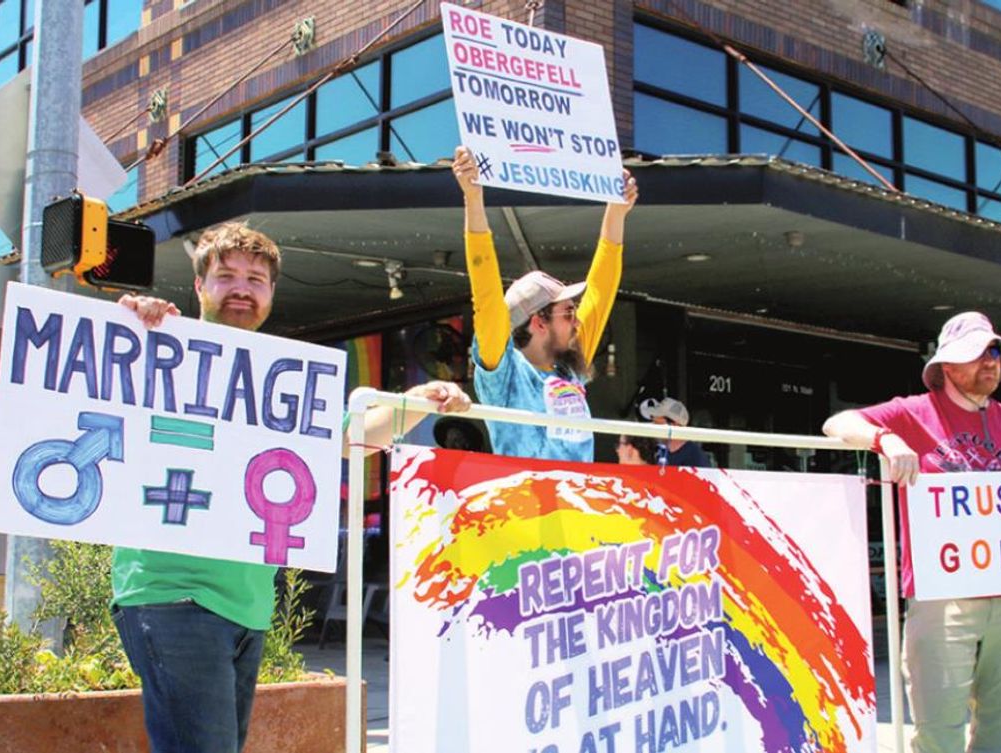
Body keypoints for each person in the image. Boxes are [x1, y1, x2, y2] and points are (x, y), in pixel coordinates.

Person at [112, 222, 470, 753]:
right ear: (198, 287)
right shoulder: (163, 350)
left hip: (246, 605)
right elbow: (105, 385)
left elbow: (348, 440)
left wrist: (419, 400)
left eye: (256, 279)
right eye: (226, 275)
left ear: (271, 293)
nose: (242, 288)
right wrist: (133, 324)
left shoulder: (282, 383)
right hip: (172, 595)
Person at [822, 311, 1001, 753]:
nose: (990, 362)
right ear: (948, 366)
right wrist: (886, 440)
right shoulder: (913, 412)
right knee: (937, 733)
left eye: (994, 352)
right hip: (943, 600)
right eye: (977, 353)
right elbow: (837, 424)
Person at [452, 145, 637, 461]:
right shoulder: (504, 372)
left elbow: (601, 290)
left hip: (575, 503)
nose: (577, 320)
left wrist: (615, 211)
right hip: (524, 504)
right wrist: (473, 197)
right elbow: (486, 295)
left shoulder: (570, 364)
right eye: (567, 313)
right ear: (538, 322)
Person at [640, 396, 712, 468]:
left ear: (674, 424)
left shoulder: (695, 457)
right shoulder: (655, 451)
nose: (653, 421)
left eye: (658, 417)